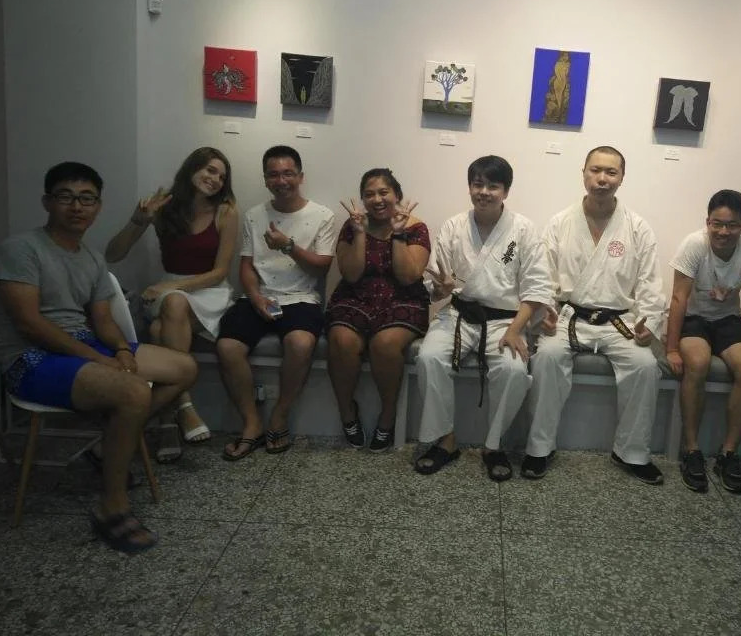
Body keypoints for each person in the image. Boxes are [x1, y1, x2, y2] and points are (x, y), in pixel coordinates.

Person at [0, 162, 197, 553]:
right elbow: (30, 324)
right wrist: (100, 360)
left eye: (87, 199)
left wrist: (119, 349)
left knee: (183, 367)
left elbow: (102, 319)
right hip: (31, 360)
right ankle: (112, 506)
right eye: (66, 197)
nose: (77, 207)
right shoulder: (20, 249)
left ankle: (108, 448)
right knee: (133, 392)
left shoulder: (90, 257)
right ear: (47, 202)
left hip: (85, 345)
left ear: (98, 207)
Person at [524, 146, 667, 483]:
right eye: (596, 170)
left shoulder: (637, 227)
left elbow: (650, 282)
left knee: (645, 366)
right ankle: (539, 448)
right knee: (546, 358)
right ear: (584, 173)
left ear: (622, 178)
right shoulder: (560, 223)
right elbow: (543, 276)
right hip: (569, 318)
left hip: (619, 321)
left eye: (611, 172)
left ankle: (631, 452)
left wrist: (649, 322)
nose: (602, 179)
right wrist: (545, 311)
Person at [415, 155, 551, 480]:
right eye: (478, 184)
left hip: (506, 321)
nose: (484, 192)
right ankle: (446, 440)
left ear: (506, 191)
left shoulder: (524, 229)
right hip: (459, 314)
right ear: (469, 187)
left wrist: (516, 330)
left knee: (514, 370)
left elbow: (536, 288)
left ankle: (493, 445)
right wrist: (441, 289)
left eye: (493, 186)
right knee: (429, 357)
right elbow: (435, 286)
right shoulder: (453, 226)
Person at [104, 147, 238, 462]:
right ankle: (183, 406)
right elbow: (113, 254)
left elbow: (220, 272)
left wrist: (169, 287)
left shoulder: (226, 211)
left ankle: (169, 421)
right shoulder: (164, 205)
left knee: (158, 327)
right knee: (170, 310)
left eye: (221, 176)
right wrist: (138, 221)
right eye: (210, 170)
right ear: (192, 168)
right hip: (169, 292)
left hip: (209, 291)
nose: (215, 179)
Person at [215, 145, 335, 460]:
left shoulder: (323, 216)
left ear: (300, 176)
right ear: (265, 179)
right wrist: (256, 297)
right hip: (259, 295)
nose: (281, 181)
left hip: (301, 297)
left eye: (288, 173)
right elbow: (246, 266)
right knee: (227, 346)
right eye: (273, 175)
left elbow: (321, 268)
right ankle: (251, 422)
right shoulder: (254, 215)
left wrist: (288, 246)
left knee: (300, 343)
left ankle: (279, 416)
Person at [667, 189, 741, 494]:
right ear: (708, 222)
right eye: (717, 224)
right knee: (697, 363)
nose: (724, 232)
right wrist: (671, 348)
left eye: (732, 225)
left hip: (728, 320)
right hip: (694, 319)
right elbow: (678, 298)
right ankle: (691, 449)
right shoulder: (694, 244)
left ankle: (728, 454)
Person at [326, 168, 430, 452]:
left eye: (384, 192)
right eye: (369, 194)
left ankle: (388, 416)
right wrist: (360, 233)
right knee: (341, 340)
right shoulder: (353, 225)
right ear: (363, 199)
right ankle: (347, 412)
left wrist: (398, 234)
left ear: (397, 195)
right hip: (356, 296)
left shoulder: (416, 228)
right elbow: (350, 275)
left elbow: (408, 277)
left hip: (403, 299)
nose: (377, 199)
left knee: (384, 344)